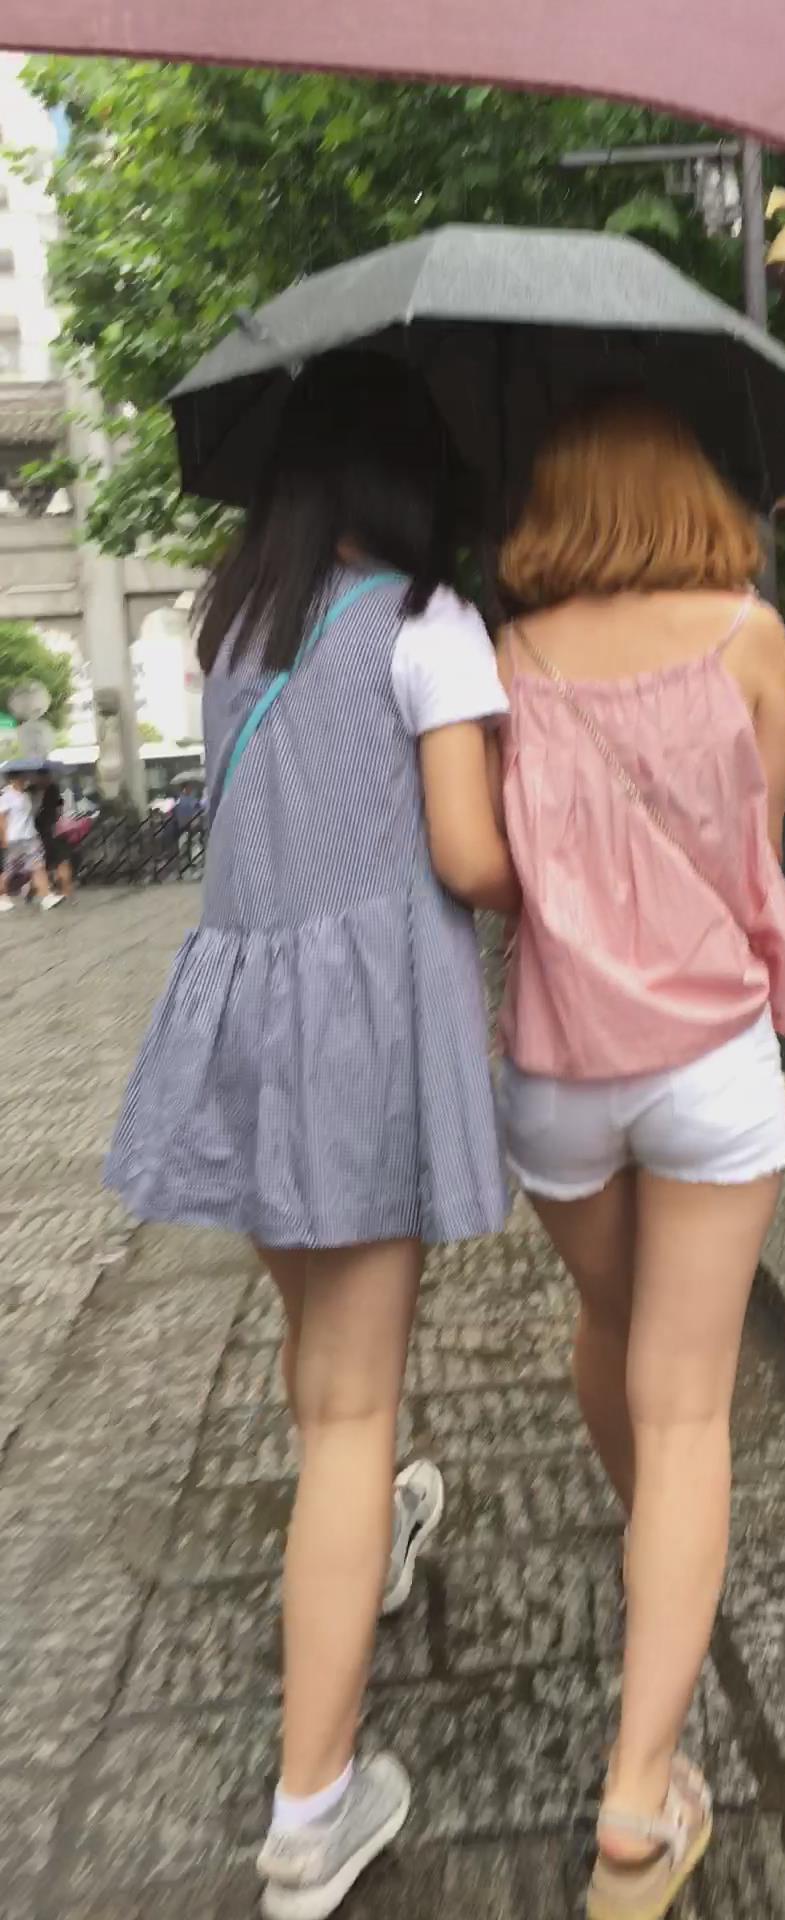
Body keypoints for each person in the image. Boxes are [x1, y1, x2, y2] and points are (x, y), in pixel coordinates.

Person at [105, 355, 518, 1920]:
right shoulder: (430, 623)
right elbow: (466, 856)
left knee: (322, 1362)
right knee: (348, 1412)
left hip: (248, 1030)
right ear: (407, 480)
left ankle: (385, 1522)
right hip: (361, 1038)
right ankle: (313, 1810)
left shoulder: (232, 633)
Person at [494, 396, 785, 1920]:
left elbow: (488, 859)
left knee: (612, 1326)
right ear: (689, 488)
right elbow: (760, 818)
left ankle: (661, 1563)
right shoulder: (750, 634)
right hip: (707, 1057)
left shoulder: (507, 650)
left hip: (559, 1068)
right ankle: (637, 1807)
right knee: (689, 1402)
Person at [0, 772, 61, 912]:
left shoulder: (25, 795)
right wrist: (3, 838)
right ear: (12, 779)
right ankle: (1, 896)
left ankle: (46, 896)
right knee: (10, 870)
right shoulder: (6, 796)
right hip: (15, 838)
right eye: (21, 777)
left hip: (30, 836)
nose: (24, 780)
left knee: (38, 866)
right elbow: (1, 819)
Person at [34, 775, 76, 899]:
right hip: (62, 832)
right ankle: (66, 890)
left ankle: (51, 889)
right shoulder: (61, 796)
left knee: (48, 864)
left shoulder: (45, 806)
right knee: (63, 862)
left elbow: (38, 821)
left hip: (50, 834)